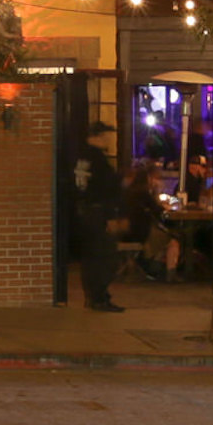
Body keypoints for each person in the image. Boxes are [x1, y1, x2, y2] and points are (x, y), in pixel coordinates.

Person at [72, 121, 126, 311]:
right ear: (99, 136)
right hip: (98, 213)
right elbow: (105, 189)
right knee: (105, 257)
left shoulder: (81, 157)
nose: (111, 140)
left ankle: (95, 296)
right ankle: (99, 297)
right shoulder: (98, 160)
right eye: (108, 136)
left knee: (92, 258)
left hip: (85, 213)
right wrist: (111, 217)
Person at [122, 163, 180, 282]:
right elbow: (159, 211)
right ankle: (170, 274)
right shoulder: (143, 193)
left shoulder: (128, 193)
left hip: (125, 231)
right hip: (142, 232)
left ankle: (153, 267)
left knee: (165, 237)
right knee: (173, 241)